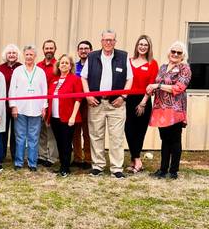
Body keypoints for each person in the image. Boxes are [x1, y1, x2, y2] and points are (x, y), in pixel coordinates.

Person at [81, 29, 133, 179]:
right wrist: (88, 95)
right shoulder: (92, 56)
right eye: (106, 40)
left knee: (116, 137)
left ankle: (116, 168)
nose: (108, 42)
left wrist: (123, 96)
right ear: (101, 41)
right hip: (96, 103)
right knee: (96, 135)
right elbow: (83, 78)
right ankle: (97, 166)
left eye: (111, 40)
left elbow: (130, 79)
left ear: (115, 42)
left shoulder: (123, 56)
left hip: (116, 104)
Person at [147, 41, 191, 180]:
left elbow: (179, 88)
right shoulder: (163, 67)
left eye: (179, 52)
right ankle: (162, 169)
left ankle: (173, 171)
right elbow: (157, 84)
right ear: (169, 53)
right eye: (173, 51)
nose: (175, 54)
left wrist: (157, 86)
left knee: (175, 140)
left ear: (183, 55)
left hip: (175, 109)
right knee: (165, 139)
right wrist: (153, 88)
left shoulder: (185, 69)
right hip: (161, 108)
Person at [9, 45, 48, 172]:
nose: (29, 57)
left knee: (33, 137)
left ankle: (32, 163)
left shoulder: (40, 72)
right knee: (20, 137)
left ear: (35, 56)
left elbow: (44, 90)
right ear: (24, 55)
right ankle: (19, 162)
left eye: (31, 54)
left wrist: (44, 106)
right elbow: (12, 90)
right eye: (27, 54)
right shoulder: (18, 71)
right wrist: (13, 106)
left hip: (36, 109)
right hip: (20, 109)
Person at [125, 35, 159, 174]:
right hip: (129, 99)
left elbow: (151, 85)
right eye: (141, 44)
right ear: (137, 46)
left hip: (143, 100)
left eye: (145, 45)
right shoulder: (129, 61)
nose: (143, 47)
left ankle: (136, 161)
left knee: (139, 131)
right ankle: (136, 159)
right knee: (128, 129)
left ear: (149, 47)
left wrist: (143, 103)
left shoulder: (152, 63)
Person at [47, 54, 83, 177]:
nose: (64, 65)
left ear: (71, 66)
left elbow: (78, 99)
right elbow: (49, 98)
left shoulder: (75, 79)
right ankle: (62, 165)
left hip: (68, 117)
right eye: (62, 63)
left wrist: (73, 116)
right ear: (58, 65)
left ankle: (66, 168)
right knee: (59, 143)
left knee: (66, 143)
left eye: (66, 63)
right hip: (55, 117)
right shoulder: (54, 80)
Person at [0, 44, 22, 161]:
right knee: (3, 131)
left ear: (17, 55)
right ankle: (1, 155)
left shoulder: (21, 68)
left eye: (14, 53)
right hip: (4, 106)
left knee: (16, 133)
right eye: (9, 53)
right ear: (5, 55)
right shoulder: (0, 68)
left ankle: (15, 155)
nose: (11, 55)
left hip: (18, 105)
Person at [36, 40, 59, 167]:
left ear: (55, 49)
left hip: (52, 104)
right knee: (41, 131)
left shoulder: (58, 65)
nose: (49, 50)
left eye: (51, 48)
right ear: (43, 50)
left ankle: (51, 157)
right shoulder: (38, 66)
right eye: (47, 48)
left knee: (51, 132)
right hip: (39, 103)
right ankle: (41, 155)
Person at [72, 40, 93, 169]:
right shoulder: (74, 66)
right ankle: (77, 158)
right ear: (78, 51)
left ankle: (88, 159)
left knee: (87, 131)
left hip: (88, 102)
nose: (84, 51)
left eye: (86, 48)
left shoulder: (94, 65)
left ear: (91, 50)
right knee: (75, 130)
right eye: (81, 48)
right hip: (75, 102)